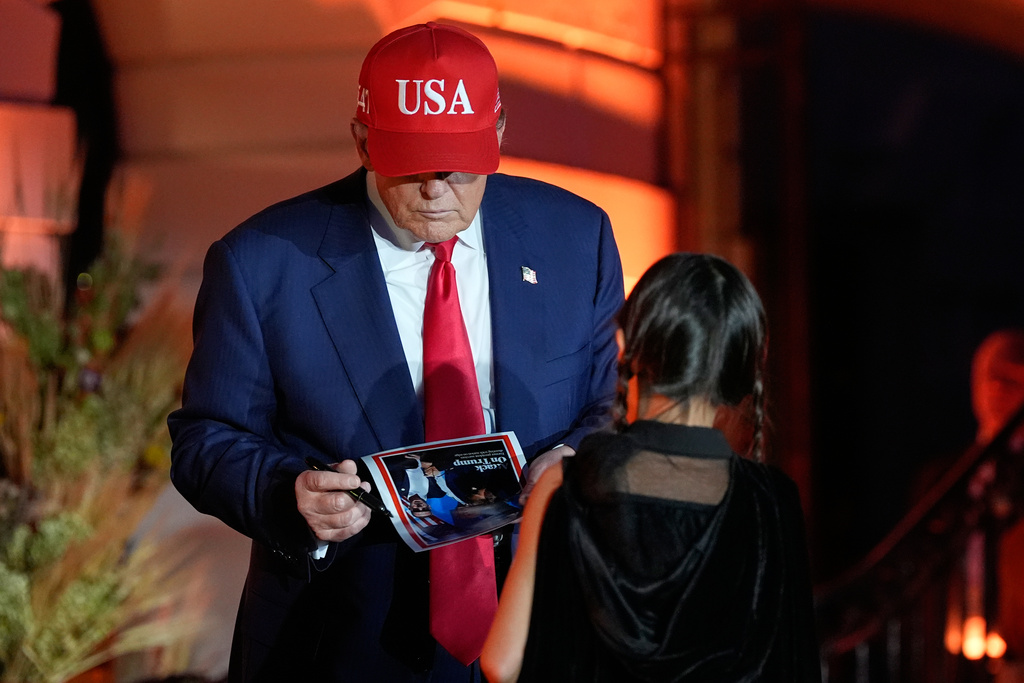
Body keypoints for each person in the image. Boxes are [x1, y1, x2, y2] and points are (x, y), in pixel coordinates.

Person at [167, 21, 623, 683]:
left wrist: (573, 462)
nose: (437, 186)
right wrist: (283, 491)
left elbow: (605, 409)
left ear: (498, 134)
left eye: (459, 161)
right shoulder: (263, 263)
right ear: (361, 141)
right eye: (411, 161)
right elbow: (205, 438)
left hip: (540, 628)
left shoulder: (577, 240)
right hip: (339, 641)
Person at [481, 252, 821, 682]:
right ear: (739, 372)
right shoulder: (773, 501)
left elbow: (501, 662)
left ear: (631, 345)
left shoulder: (565, 485)